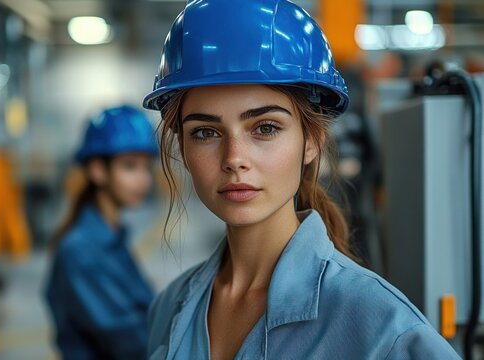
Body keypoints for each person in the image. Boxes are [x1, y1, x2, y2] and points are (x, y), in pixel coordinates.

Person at [142, 1, 461, 359]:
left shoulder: (382, 328)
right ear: (182, 148)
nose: (234, 159)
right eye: (205, 132)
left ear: (312, 142)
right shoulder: (171, 308)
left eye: (265, 128)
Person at [45, 105, 158, 360]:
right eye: (130, 167)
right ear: (97, 170)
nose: (144, 180)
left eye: (146, 167)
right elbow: (132, 342)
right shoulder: (81, 251)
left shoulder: (112, 237)